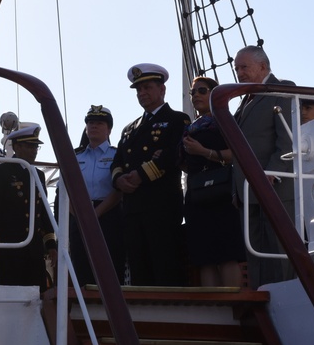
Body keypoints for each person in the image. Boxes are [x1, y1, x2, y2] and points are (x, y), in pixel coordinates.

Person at [111, 63, 190, 286]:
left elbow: (174, 153)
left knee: (165, 264)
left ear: (162, 90)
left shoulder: (177, 120)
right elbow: (118, 160)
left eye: (147, 88)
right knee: (138, 266)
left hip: (161, 205)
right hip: (133, 207)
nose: (142, 93)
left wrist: (141, 175)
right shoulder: (129, 128)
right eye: (139, 90)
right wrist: (118, 179)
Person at [233, 45, 295, 287]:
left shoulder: (281, 89)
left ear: (263, 66)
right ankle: (263, 301)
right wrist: (235, 190)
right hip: (247, 191)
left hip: (275, 187)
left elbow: (288, 139)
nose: (239, 73)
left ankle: (287, 300)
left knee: (280, 253)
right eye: (237, 68)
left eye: (244, 67)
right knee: (256, 255)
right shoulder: (246, 100)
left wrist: (271, 172)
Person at [179, 76, 245, 287]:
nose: (195, 95)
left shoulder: (226, 122)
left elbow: (237, 154)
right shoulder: (190, 128)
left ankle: (233, 304)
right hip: (197, 194)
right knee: (204, 256)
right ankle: (216, 305)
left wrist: (204, 152)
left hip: (222, 192)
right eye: (193, 92)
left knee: (226, 253)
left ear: (214, 94)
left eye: (202, 90)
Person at [0, 125, 57, 289]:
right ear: (16, 147)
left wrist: (51, 245)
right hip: (10, 247)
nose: (34, 151)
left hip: (34, 249)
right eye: (30, 146)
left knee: (38, 293)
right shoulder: (1, 172)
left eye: (36, 146)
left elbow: (43, 212)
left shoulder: (38, 174)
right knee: (11, 291)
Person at [59, 105, 125, 288]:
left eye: (99, 123)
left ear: (109, 129)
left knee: (111, 265)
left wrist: (96, 213)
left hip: (109, 215)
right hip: (78, 215)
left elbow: (119, 190)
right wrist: (79, 214)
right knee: (80, 264)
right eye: (90, 123)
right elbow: (64, 189)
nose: (94, 126)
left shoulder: (117, 155)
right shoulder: (74, 155)